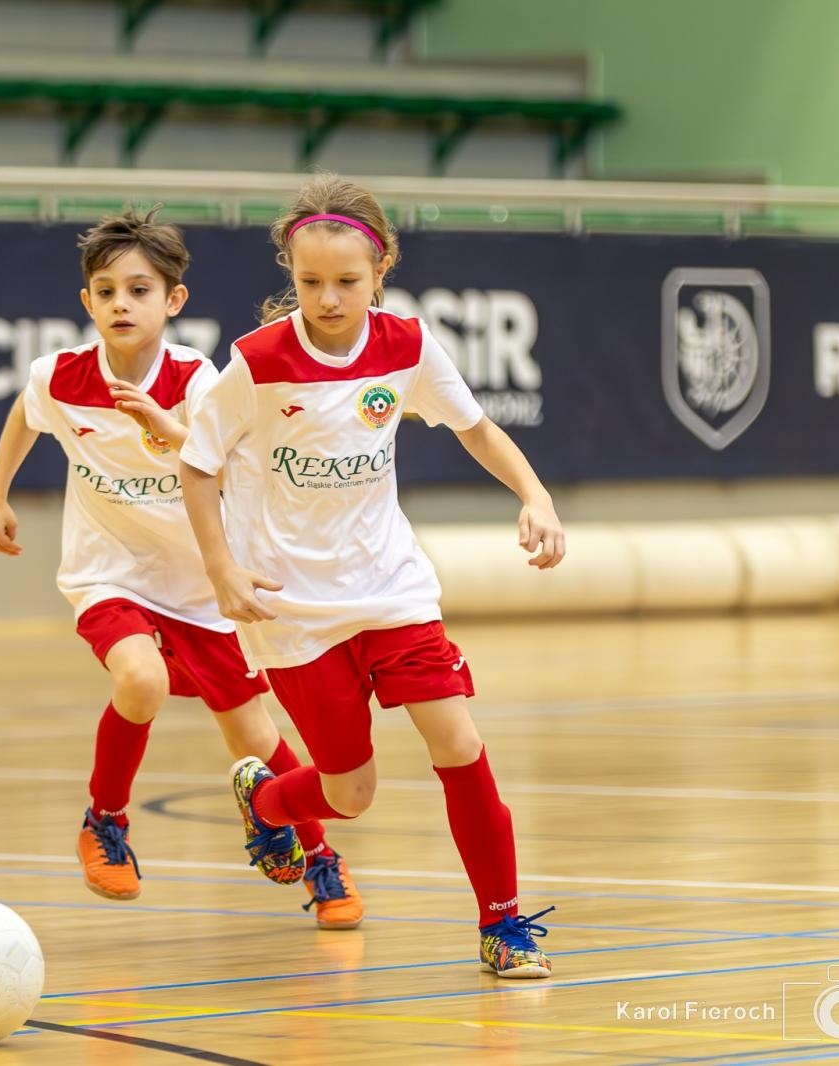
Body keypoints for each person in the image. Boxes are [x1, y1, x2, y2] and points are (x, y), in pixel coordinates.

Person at [178, 175, 566, 978]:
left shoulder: (410, 346)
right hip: (293, 612)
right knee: (351, 794)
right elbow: (195, 466)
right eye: (309, 282)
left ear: (381, 267)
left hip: (392, 591)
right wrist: (221, 569)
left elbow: (478, 429)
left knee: (459, 741)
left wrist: (535, 495)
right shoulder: (255, 365)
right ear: (290, 272)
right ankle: (271, 798)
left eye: (347, 282)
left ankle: (503, 924)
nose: (327, 298)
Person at [0, 208, 362, 929]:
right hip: (109, 574)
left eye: (139, 289)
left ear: (172, 301)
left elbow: (230, 466)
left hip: (200, 584)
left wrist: (169, 426)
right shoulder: (58, 375)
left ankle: (317, 854)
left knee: (254, 735)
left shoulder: (198, 380)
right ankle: (104, 822)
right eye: (107, 290)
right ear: (87, 302)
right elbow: (27, 414)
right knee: (141, 678)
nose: (122, 303)